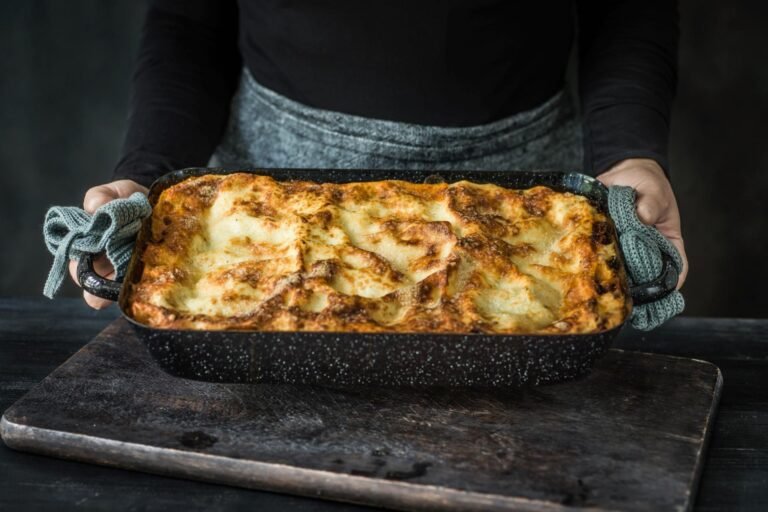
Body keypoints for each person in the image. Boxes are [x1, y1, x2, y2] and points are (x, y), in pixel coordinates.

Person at [69, 0, 688, 309]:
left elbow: (629, 8)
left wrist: (631, 157)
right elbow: (188, 20)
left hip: (530, 206)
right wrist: (146, 174)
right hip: (256, 212)